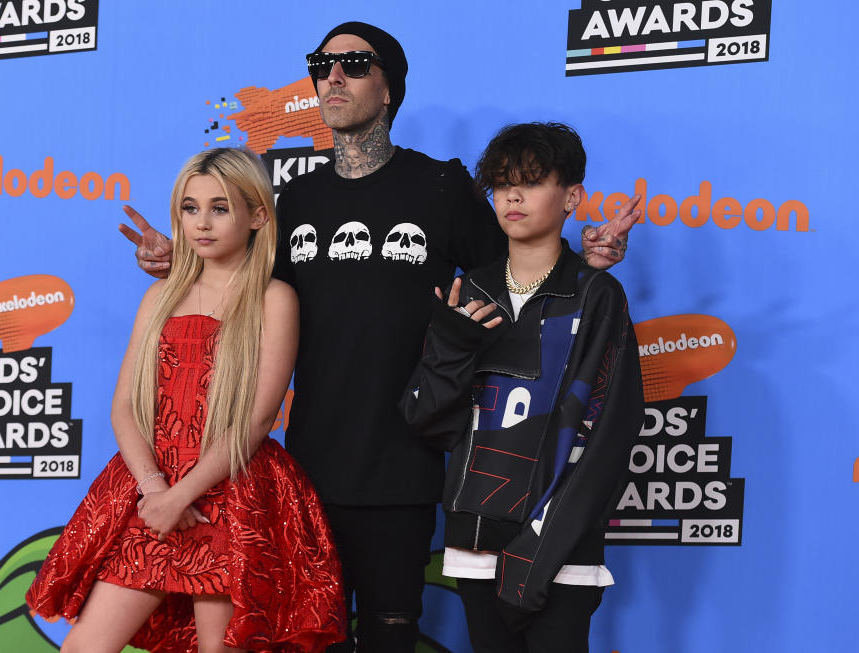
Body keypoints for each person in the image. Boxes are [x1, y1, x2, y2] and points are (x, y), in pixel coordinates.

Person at [118, 22, 640, 653]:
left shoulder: (442, 187)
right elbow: (236, 285)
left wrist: (589, 262)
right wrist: (182, 264)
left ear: (389, 88)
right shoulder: (295, 200)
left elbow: (518, 273)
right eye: (322, 65)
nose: (333, 77)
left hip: (406, 463)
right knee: (312, 638)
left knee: (392, 638)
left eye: (355, 65)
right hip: (303, 469)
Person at [26, 148, 345, 653]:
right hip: (151, 486)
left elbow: (257, 419)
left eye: (219, 208)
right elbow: (125, 408)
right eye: (189, 209)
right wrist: (156, 489)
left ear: (257, 215)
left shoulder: (273, 298)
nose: (202, 223)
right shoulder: (160, 298)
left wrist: (182, 495)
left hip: (230, 490)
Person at [401, 122, 644, 653]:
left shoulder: (595, 295)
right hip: (475, 542)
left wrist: (543, 547)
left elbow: (608, 436)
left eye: (532, 181)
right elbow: (426, 419)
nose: (513, 195)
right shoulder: (469, 292)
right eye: (502, 183)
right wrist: (454, 345)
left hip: (562, 549)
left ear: (572, 197)